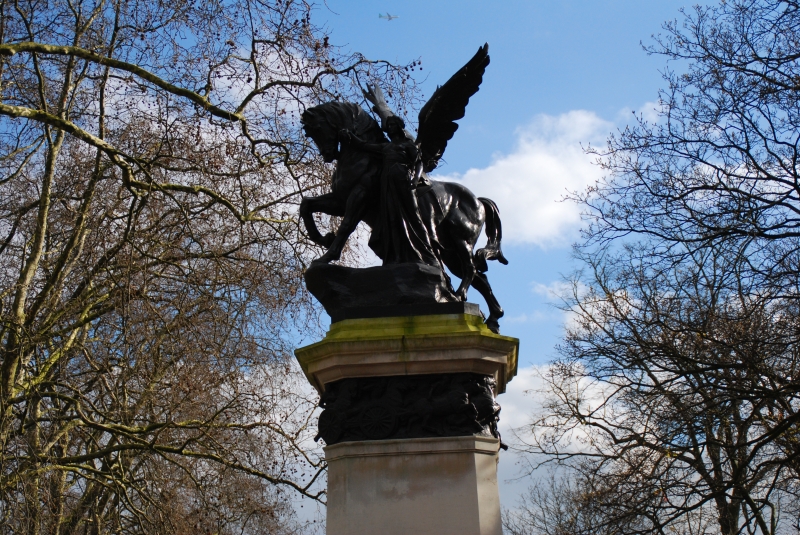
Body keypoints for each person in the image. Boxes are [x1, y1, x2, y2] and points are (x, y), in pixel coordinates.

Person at [338, 116, 439, 266]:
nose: (390, 127)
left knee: (414, 218)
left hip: (404, 181)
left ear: (399, 127)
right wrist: (349, 135)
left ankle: (429, 256)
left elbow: (419, 163)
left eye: (393, 124)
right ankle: (396, 257)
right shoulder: (386, 147)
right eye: (388, 125)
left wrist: (416, 179)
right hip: (388, 183)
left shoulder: (408, 145)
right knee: (391, 220)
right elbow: (363, 145)